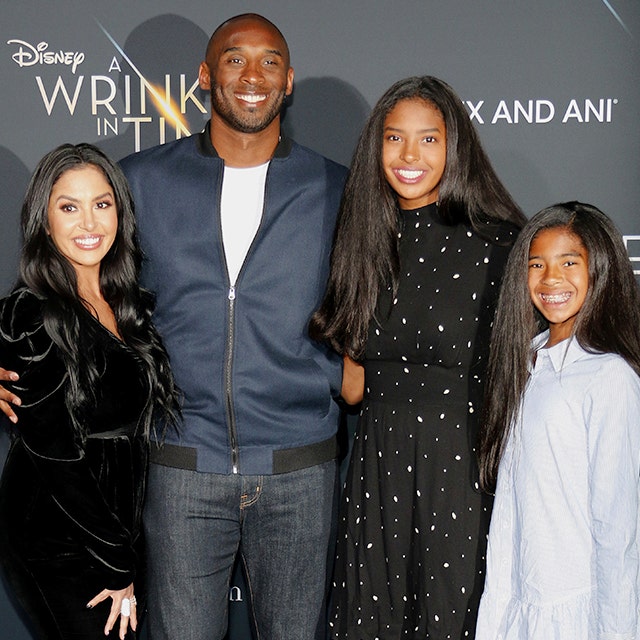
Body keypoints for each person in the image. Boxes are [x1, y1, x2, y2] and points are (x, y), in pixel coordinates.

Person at [0, 13, 347, 640]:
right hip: (180, 469)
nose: (252, 75)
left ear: (289, 80)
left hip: (299, 469)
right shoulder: (138, 181)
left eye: (270, 61)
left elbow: (383, 306)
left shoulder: (337, 189)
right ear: (204, 75)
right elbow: (65, 283)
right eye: (234, 58)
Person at [310, 75, 527, 638]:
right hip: (377, 463)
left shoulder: (500, 244)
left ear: (456, 147)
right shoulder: (361, 239)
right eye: (394, 138)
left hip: (462, 466)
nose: (409, 156)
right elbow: (355, 387)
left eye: (429, 139)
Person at [0, 143, 180, 640]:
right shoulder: (31, 314)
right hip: (57, 530)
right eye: (69, 207)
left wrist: (125, 548)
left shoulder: (126, 304)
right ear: (44, 219)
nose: (89, 224)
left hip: (116, 525)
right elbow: (56, 453)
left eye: (102, 204)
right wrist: (116, 558)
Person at [476, 202, 640, 639]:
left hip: (578, 612)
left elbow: (618, 529)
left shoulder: (609, 376)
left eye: (569, 262)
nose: (551, 279)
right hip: (519, 602)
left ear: (600, 269)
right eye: (537, 264)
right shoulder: (526, 361)